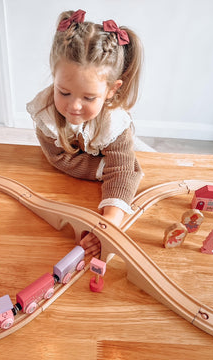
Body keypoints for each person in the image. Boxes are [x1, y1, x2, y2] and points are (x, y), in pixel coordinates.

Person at [27, 9, 143, 256]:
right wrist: (103, 168)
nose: (74, 106)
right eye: (64, 92)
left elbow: (124, 171)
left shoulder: (115, 123)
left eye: (89, 97)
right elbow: (57, 158)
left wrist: (111, 220)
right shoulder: (45, 113)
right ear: (54, 76)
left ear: (112, 90)